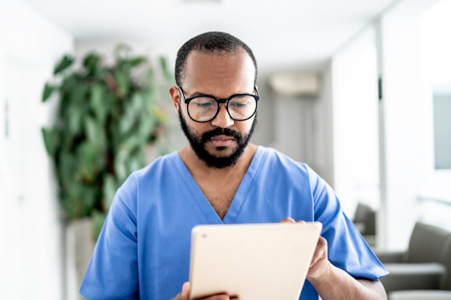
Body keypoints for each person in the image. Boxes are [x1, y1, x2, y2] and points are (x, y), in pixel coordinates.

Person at [79, 31, 388, 300]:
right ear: (177, 100)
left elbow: (375, 297)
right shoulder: (138, 196)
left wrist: (323, 272)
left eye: (239, 102)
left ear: (254, 97)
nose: (223, 121)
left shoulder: (304, 186)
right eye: (203, 103)